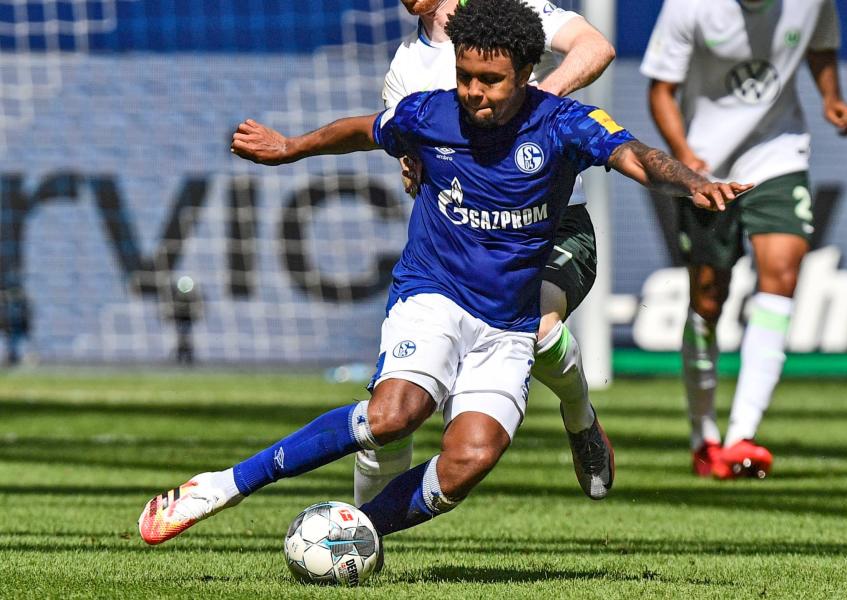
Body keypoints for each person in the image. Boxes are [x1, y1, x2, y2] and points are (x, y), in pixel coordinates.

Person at [138, 0, 749, 551]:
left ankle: (358, 530)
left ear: (527, 73)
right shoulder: (429, 112)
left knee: (470, 459)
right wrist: (291, 147)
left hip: (506, 321)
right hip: (433, 293)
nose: (474, 93)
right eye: (464, 77)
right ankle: (221, 486)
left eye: (491, 81)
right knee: (394, 415)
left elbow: (634, 154)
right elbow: (364, 129)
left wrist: (690, 183)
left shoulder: (564, 124)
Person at [359, 0, 619, 505]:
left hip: (557, 224)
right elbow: (410, 154)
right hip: (474, 239)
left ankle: (581, 418)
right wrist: (414, 167)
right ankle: (366, 526)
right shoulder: (405, 68)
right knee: (395, 410)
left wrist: (542, 102)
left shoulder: (510, 15)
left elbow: (596, 46)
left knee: (541, 328)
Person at [640, 0, 847, 479]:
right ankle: (705, 435)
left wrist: (831, 97)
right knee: (708, 299)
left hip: (779, 154)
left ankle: (742, 436)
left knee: (780, 275)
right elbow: (661, 91)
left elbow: (819, 45)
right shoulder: (689, 8)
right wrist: (684, 157)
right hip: (706, 167)